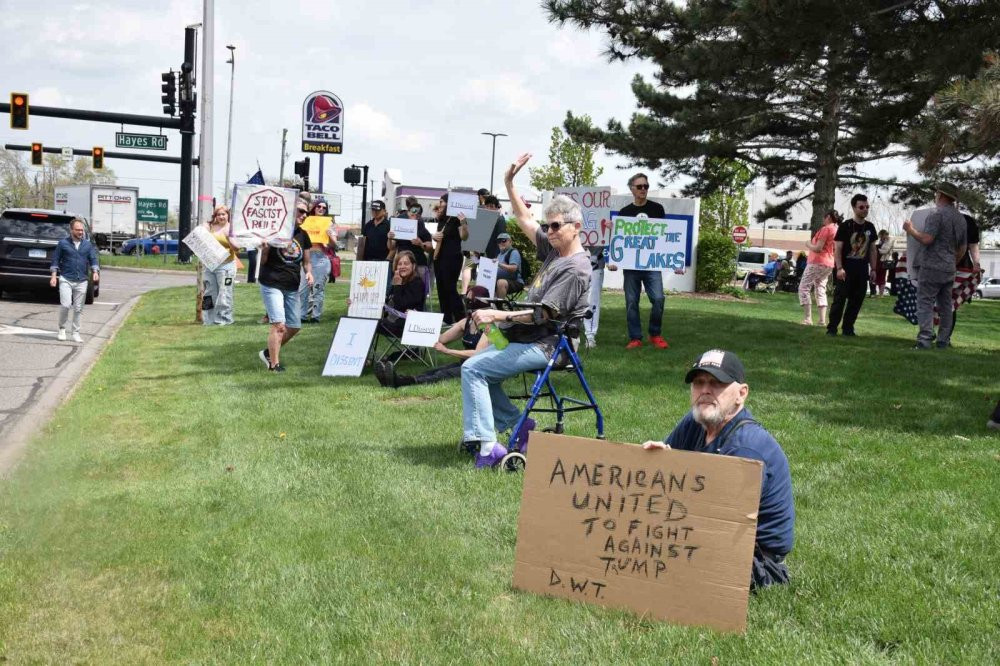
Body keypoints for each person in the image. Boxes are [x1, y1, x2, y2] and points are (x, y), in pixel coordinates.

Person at [461, 152, 592, 468]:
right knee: (478, 367)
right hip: (530, 336)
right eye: (548, 225)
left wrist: (497, 315)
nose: (550, 231)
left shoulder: (575, 268)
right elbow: (525, 220)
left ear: (576, 227)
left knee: (474, 369)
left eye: (556, 226)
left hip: (551, 345)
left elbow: (542, 314)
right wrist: (509, 182)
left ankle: (488, 447)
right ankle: (520, 428)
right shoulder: (556, 251)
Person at [642, 349, 794, 590]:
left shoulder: (746, 448)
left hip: (755, 562)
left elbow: (719, 527)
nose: (705, 390)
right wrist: (660, 464)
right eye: (698, 383)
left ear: (741, 394)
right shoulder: (696, 422)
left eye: (716, 383)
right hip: (712, 539)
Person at [374, 286, 492, 388]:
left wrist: (448, 351)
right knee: (435, 371)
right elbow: (440, 338)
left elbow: (478, 353)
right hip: (466, 363)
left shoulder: (490, 326)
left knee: (443, 374)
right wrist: (417, 318)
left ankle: (400, 382)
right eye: (467, 299)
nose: (466, 302)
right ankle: (393, 380)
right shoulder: (466, 322)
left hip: (480, 366)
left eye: (469, 299)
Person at [902, 182, 967, 350]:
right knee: (946, 306)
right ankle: (943, 341)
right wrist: (952, 262)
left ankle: (924, 341)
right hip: (949, 268)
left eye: (937, 193)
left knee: (925, 303)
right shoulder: (960, 218)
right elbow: (962, 248)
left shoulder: (936, 214)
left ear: (941, 195)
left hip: (931, 266)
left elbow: (927, 239)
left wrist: (910, 229)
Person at [257, 201, 314, 372]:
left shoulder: (303, 235)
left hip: (292, 285)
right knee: (279, 325)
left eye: (306, 213)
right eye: (301, 211)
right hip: (272, 282)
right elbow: (263, 261)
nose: (304, 215)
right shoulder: (275, 231)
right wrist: (265, 248)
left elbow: (306, 262)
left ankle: (268, 352)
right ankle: (274, 364)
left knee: (294, 326)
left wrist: (309, 273)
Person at [619, 173, 669, 349]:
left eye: (646, 186)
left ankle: (655, 334)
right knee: (632, 301)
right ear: (631, 189)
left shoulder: (657, 209)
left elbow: (665, 235)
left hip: (652, 264)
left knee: (658, 299)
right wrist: (614, 259)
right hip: (631, 265)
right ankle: (635, 338)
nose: (643, 189)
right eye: (639, 186)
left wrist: (675, 262)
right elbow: (620, 238)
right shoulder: (625, 212)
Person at [827, 194, 878, 337]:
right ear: (854, 208)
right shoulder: (845, 226)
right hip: (845, 270)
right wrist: (839, 268)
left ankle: (848, 328)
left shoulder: (870, 227)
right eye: (861, 207)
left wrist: (873, 269)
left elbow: (873, 250)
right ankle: (832, 328)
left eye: (867, 207)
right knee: (839, 300)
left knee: (856, 301)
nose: (865, 209)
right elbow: (838, 248)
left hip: (862, 271)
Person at [49, 218, 99, 343]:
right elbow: (55, 260)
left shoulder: (87, 245)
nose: (81, 232)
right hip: (66, 278)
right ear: (71, 230)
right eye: (78, 230)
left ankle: (76, 332)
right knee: (66, 305)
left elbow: (93, 259)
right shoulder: (63, 244)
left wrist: (95, 272)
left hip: (82, 280)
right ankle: (62, 329)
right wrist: (54, 276)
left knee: (78, 308)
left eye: (82, 230)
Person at [431, 193, 469, 324]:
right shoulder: (442, 218)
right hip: (439, 256)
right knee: (441, 287)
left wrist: (463, 223)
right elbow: (439, 235)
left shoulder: (457, 218)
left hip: (452, 257)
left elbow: (464, 236)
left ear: (449, 203)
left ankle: (461, 318)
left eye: (442, 201)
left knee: (450, 287)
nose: (440, 204)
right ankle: (446, 317)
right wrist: (434, 236)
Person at [798, 210, 840, 326]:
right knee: (820, 289)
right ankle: (822, 320)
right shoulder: (836, 229)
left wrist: (808, 244)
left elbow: (818, 248)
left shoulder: (826, 229)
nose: (823, 220)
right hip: (829, 263)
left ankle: (808, 319)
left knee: (804, 287)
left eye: (824, 217)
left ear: (828, 217)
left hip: (817, 261)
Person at [201, 205, 239, 326]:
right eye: (218, 214)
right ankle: (208, 320)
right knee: (208, 293)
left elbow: (237, 248)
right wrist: (203, 228)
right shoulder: (210, 226)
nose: (221, 217)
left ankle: (225, 319)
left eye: (223, 214)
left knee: (225, 293)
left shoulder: (231, 228)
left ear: (228, 215)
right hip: (210, 265)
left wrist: (229, 238)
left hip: (226, 266)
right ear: (215, 216)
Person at [298, 198, 334, 323]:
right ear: (314, 207)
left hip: (320, 258)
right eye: (319, 206)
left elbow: (334, 245)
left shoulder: (329, 223)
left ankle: (315, 316)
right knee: (303, 289)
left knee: (318, 289)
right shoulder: (305, 221)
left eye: (324, 208)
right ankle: (302, 315)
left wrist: (330, 237)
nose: (321, 209)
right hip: (306, 257)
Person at [388, 202, 434, 297]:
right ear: (408, 213)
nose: (414, 215)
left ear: (420, 216)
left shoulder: (422, 229)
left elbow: (430, 248)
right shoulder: (399, 227)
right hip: (402, 265)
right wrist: (389, 238)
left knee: (419, 294)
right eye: (412, 213)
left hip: (419, 265)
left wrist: (421, 244)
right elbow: (391, 247)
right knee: (400, 292)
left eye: (417, 214)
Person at [376, 251, 426, 337]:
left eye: (406, 264)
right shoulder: (399, 279)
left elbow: (400, 306)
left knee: (371, 323)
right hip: (393, 320)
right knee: (367, 319)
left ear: (413, 266)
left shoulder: (417, 283)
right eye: (399, 264)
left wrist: (398, 285)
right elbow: (387, 301)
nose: (402, 266)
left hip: (407, 325)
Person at [583, 247, 617, 348]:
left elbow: (610, 241)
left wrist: (610, 260)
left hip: (595, 264)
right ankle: (568, 333)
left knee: (591, 300)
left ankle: (590, 336)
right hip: (575, 262)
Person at [494, 233, 523, 298]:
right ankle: (488, 302)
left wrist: (499, 264)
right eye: (498, 241)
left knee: (501, 282)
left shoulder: (513, 252)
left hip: (515, 281)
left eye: (503, 240)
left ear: (510, 241)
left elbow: (513, 268)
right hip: (499, 280)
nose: (501, 243)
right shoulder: (499, 255)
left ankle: (499, 303)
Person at [874, 229, 895, 297]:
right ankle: (877, 292)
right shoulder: (882, 241)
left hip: (883, 260)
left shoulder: (889, 240)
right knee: (877, 276)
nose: (881, 238)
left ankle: (881, 293)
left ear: (884, 235)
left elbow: (885, 251)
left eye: (881, 236)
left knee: (882, 276)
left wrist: (876, 249)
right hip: (878, 260)